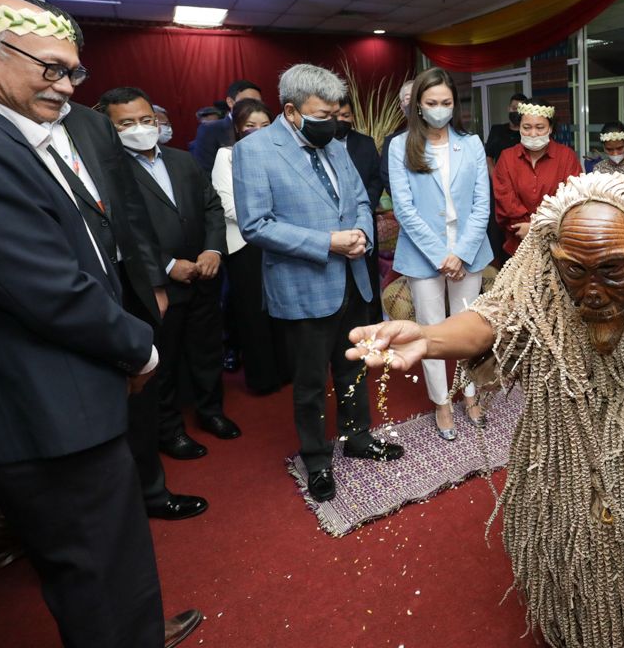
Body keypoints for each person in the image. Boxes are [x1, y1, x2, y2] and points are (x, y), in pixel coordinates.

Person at [347, 173, 624, 648]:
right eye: (575, 270)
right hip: (573, 434)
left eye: (613, 268)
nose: (591, 288)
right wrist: (428, 338)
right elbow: (493, 319)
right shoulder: (543, 283)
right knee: (585, 532)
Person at [0, 0, 200, 648]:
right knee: (93, 568)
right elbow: (47, 289)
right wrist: (140, 348)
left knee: (110, 558)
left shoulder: (18, 131)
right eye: (50, 68)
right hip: (40, 409)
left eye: (74, 72)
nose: (67, 86)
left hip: (70, 389)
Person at [233, 64, 403, 504]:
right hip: (304, 285)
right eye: (322, 114)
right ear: (290, 111)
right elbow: (256, 225)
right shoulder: (254, 151)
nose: (332, 122)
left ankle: (358, 437)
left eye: (335, 114)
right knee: (309, 381)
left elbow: (361, 199)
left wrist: (363, 232)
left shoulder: (335, 144)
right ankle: (315, 457)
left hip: (352, 280)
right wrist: (327, 242)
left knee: (353, 366)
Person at [100, 85, 240, 462]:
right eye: (127, 123)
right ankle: (169, 431)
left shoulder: (183, 159)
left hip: (205, 273)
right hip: (158, 285)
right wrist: (164, 265)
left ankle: (211, 412)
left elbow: (211, 205)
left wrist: (212, 249)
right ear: (108, 128)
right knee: (165, 360)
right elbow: (121, 227)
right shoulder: (108, 171)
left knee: (208, 349)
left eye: (146, 120)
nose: (140, 128)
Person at [387, 67, 493, 440]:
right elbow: (404, 209)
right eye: (431, 103)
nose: (439, 109)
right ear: (418, 105)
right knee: (430, 331)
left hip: (468, 249)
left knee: (467, 330)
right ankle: (441, 402)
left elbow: (482, 203)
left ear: (455, 104)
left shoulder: (473, 143)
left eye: (445, 102)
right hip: (423, 253)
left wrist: (461, 253)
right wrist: (440, 255)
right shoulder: (401, 146)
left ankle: (469, 393)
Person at [212, 99, 287, 395]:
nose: (258, 131)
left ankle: (286, 369)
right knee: (253, 313)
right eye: (250, 126)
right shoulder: (227, 156)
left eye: (265, 126)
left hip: (280, 241)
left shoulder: (282, 154)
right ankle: (263, 378)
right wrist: (265, 221)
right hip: (246, 243)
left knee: (281, 310)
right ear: (238, 129)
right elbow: (227, 204)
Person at [491, 99, 581, 256]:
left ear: (551, 128)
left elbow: (573, 199)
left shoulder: (567, 157)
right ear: (519, 127)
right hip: (517, 244)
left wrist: (536, 228)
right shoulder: (506, 158)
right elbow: (506, 201)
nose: (533, 133)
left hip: (558, 245)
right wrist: (524, 228)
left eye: (540, 127)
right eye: (527, 127)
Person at [336, 93, 384, 322]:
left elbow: (376, 179)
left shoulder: (365, 143)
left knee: (369, 280)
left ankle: (374, 328)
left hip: (364, 223)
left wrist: (367, 206)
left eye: (345, 115)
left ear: (353, 116)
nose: (340, 120)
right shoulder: (318, 146)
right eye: (335, 115)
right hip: (334, 229)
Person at [190, 79, 261, 172]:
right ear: (230, 102)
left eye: (258, 102)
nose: (254, 106)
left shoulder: (264, 128)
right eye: (247, 101)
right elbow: (204, 171)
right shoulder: (210, 130)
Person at [485, 91, 527, 169]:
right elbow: (488, 157)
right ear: (508, 108)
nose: (516, 112)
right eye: (514, 108)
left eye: (520, 109)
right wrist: (495, 178)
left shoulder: (528, 133)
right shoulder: (496, 130)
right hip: (500, 178)